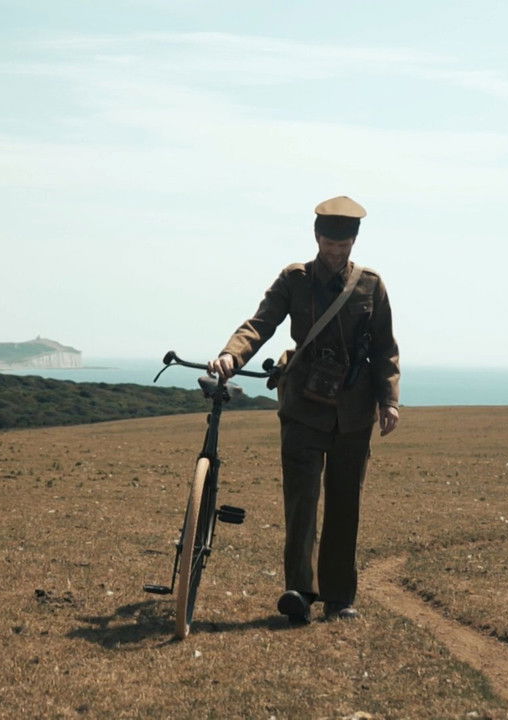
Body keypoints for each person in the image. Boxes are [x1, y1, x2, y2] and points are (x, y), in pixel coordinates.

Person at [208, 195, 400, 623]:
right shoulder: (294, 279)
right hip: (302, 409)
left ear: (354, 242)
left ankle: (339, 598)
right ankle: (299, 591)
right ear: (316, 238)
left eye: (343, 245)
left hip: (353, 413)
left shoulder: (371, 285)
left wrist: (389, 400)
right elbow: (260, 323)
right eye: (330, 245)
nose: (336, 253)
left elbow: (386, 348)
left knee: (345, 505)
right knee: (301, 504)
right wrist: (231, 354)